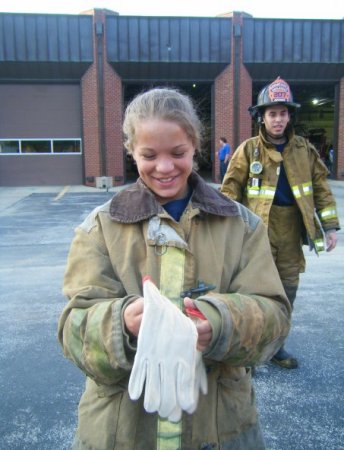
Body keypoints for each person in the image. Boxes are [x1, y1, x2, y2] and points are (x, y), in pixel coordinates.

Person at [58, 87, 291, 450]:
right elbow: (73, 331)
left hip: (223, 427)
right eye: (148, 155)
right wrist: (122, 324)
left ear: (195, 145)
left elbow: (275, 320)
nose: (164, 167)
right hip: (121, 432)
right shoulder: (99, 228)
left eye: (178, 153)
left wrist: (219, 323)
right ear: (131, 151)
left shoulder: (242, 226)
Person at [221, 77, 340, 369]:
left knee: (287, 291)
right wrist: (224, 228)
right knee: (254, 290)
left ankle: (276, 346)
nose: (278, 119)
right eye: (272, 113)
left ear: (290, 116)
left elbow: (321, 189)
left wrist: (330, 227)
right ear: (262, 116)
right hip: (258, 231)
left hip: (291, 231)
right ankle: (249, 351)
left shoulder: (305, 150)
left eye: (283, 113)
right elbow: (229, 191)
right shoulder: (248, 150)